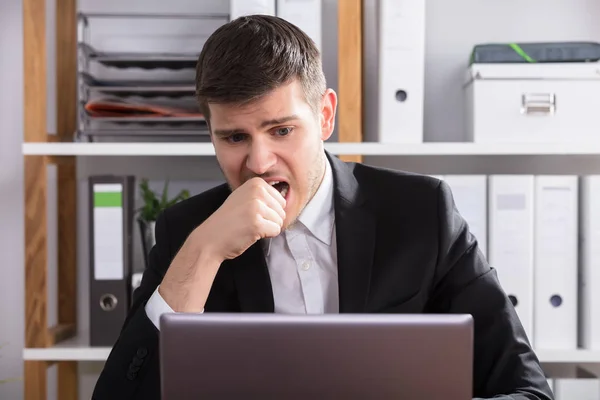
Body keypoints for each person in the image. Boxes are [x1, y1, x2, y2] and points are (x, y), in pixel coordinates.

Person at [92, 15, 554, 400]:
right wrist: (206, 251)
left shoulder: (421, 212)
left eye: (281, 130)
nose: (258, 162)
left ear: (325, 116)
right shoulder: (185, 232)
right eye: (235, 137)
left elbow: (528, 390)